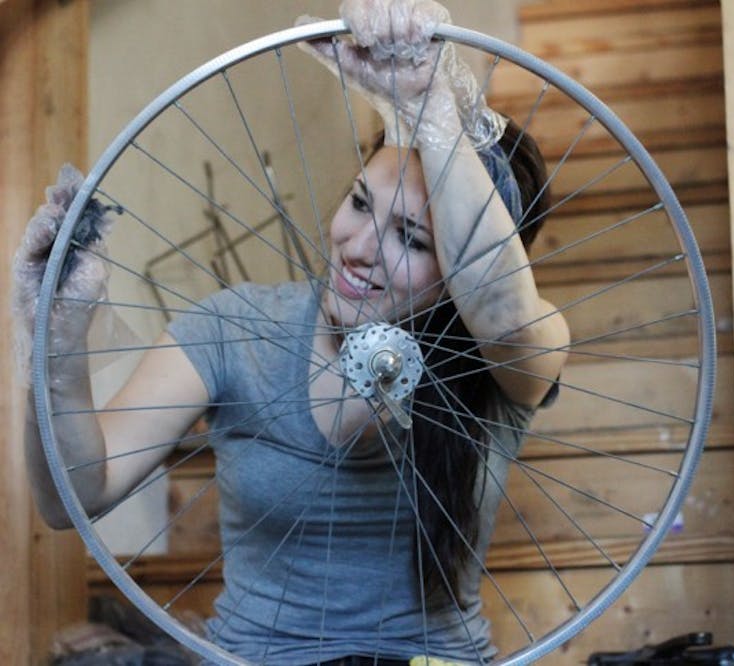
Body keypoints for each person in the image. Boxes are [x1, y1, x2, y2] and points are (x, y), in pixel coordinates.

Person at [13, 1, 568, 664]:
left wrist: (433, 104)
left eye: (412, 238)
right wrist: (58, 342)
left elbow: (501, 312)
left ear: (461, 272)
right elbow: (70, 496)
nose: (359, 247)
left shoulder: (510, 351)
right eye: (360, 203)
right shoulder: (238, 327)